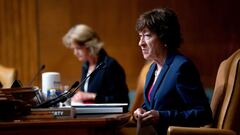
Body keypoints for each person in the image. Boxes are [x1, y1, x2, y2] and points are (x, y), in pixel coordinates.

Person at [133, 8, 212, 135]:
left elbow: (203, 114)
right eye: (140, 36)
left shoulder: (181, 67)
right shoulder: (152, 68)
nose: (140, 43)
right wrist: (142, 111)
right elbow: (155, 105)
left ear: (164, 37)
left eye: (147, 35)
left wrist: (162, 117)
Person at [62, 24, 129, 105]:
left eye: (78, 48)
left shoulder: (110, 65)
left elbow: (122, 100)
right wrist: (72, 95)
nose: (75, 53)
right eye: (73, 49)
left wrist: (93, 96)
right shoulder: (86, 66)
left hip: (107, 116)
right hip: (90, 114)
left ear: (89, 45)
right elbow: (86, 96)